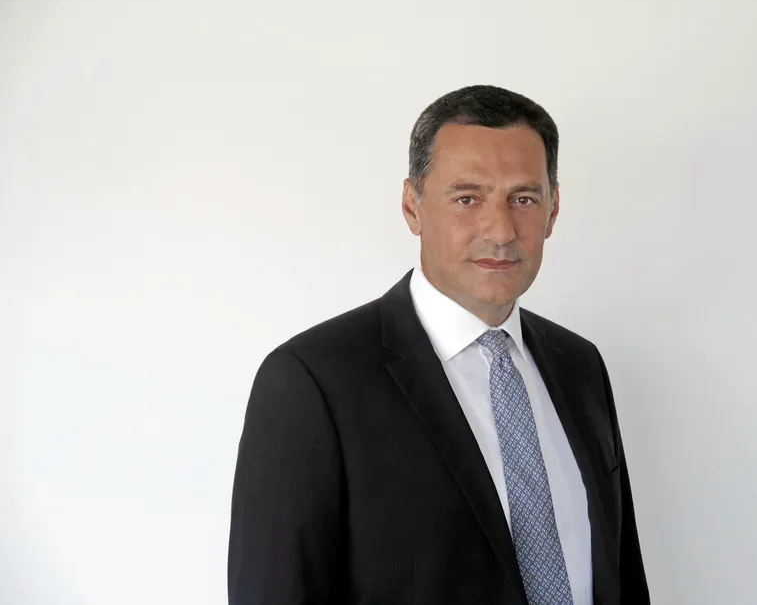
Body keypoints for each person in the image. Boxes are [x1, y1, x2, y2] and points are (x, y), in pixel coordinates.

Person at [227, 85, 649, 605]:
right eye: (467, 198)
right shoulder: (312, 382)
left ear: (553, 209)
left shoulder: (579, 365)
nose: (501, 230)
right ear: (412, 206)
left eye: (523, 199)